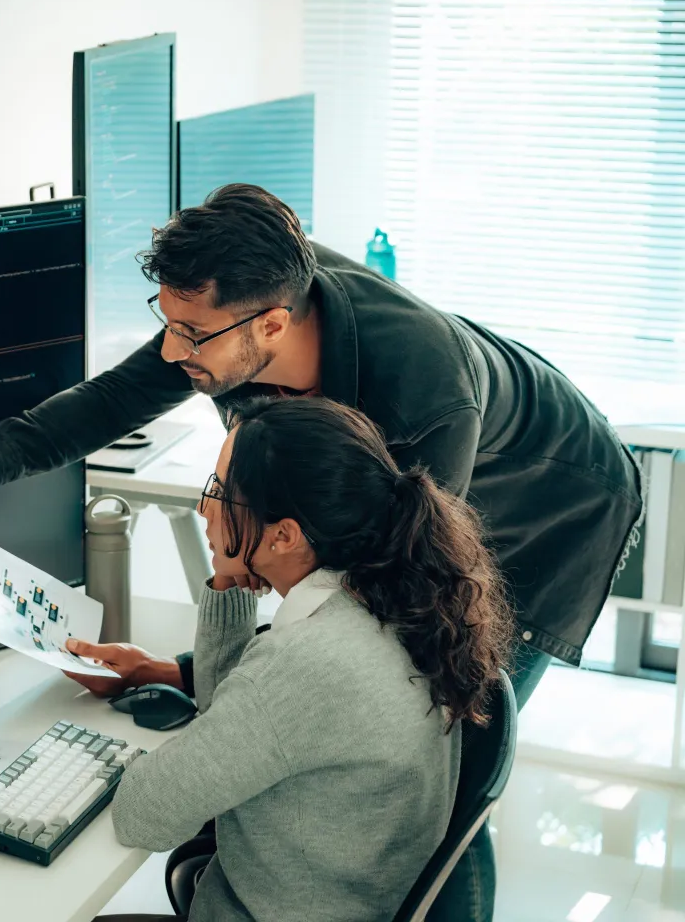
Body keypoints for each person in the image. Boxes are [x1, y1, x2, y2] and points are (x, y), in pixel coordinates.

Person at [0, 183, 642, 918]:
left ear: (273, 326)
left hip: (552, 501)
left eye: (190, 333)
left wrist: (219, 686)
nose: (173, 349)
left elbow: (372, 621)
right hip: (446, 468)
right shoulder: (238, 303)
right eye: (166, 321)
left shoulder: (423, 400)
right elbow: (114, 396)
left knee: (444, 729)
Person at [81, 395, 513, 922]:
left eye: (219, 493)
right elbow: (233, 719)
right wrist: (229, 578)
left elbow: (144, 816)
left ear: (284, 535)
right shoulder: (397, 602)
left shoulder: (308, 663)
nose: (203, 509)